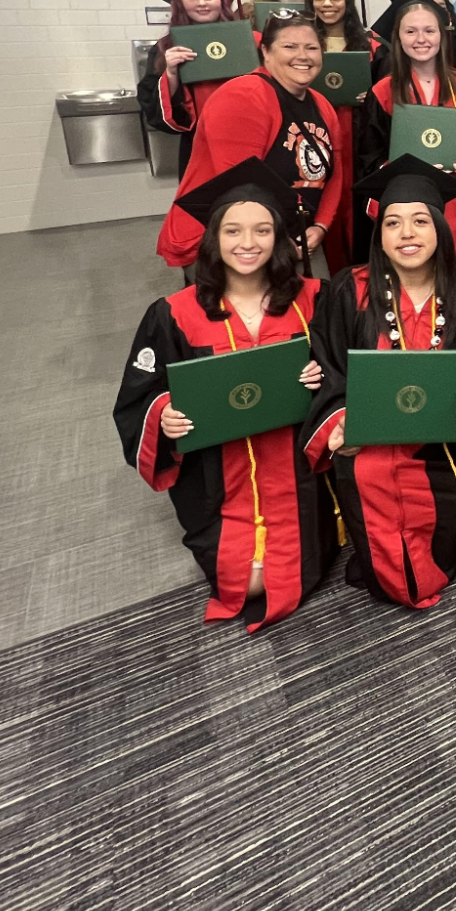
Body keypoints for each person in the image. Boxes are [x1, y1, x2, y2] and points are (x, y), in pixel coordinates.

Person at [114, 161, 331, 630]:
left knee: (282, 578)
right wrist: (163, 415)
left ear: (279, 237)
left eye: (262, 230)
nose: (247, 243)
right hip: (218, 481)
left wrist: (324, 379)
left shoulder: (315, 299)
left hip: (297, 476)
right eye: (233, 230)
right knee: (249, 584)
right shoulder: (173, 313)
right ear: (214, 238)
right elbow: (138, 397)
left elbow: (350, 377)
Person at [304, 156, 456, 609]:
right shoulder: (348, 290)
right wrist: (340, 426)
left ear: (440, 228)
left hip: (444, 446)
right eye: (393, 223)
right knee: (379, 503)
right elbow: (326, 365)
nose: (407, 234)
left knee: (432, 554)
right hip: (367, 444)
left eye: (419, 221)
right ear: (380, 234)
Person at [155, 11, 342, 270]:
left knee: (317, 305)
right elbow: (243, 186)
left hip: (297, 233)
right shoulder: (243, 95)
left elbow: (334, 173)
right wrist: (281, 240)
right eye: (289, 46)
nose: (303, 56)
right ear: (265, 51)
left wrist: (321, 225)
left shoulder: (321, 104)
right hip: (233, 239)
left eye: (311, 47)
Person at [357, 0, 456, 276]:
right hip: (405, 206)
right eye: (411, 31)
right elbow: (369, 159)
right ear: (398, 37)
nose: (421, 39)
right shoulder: (383, 92)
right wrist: (401, 170)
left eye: (429, 31)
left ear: (442, 34)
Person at [298, 0, 384, 265]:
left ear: (347, 0)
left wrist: (370, 96)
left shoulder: (372, 46)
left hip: (359, 140)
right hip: (315, 136)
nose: (326, 4)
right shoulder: (302, 44)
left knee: (357, 209)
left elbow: (387, 97)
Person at [140, 0, 254, 175]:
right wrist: (171, 74)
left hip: (251, 137)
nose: (201, 3)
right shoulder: (165, 48)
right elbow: (153, 108)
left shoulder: (246, 40)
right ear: (180, 1)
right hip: (200, 146)